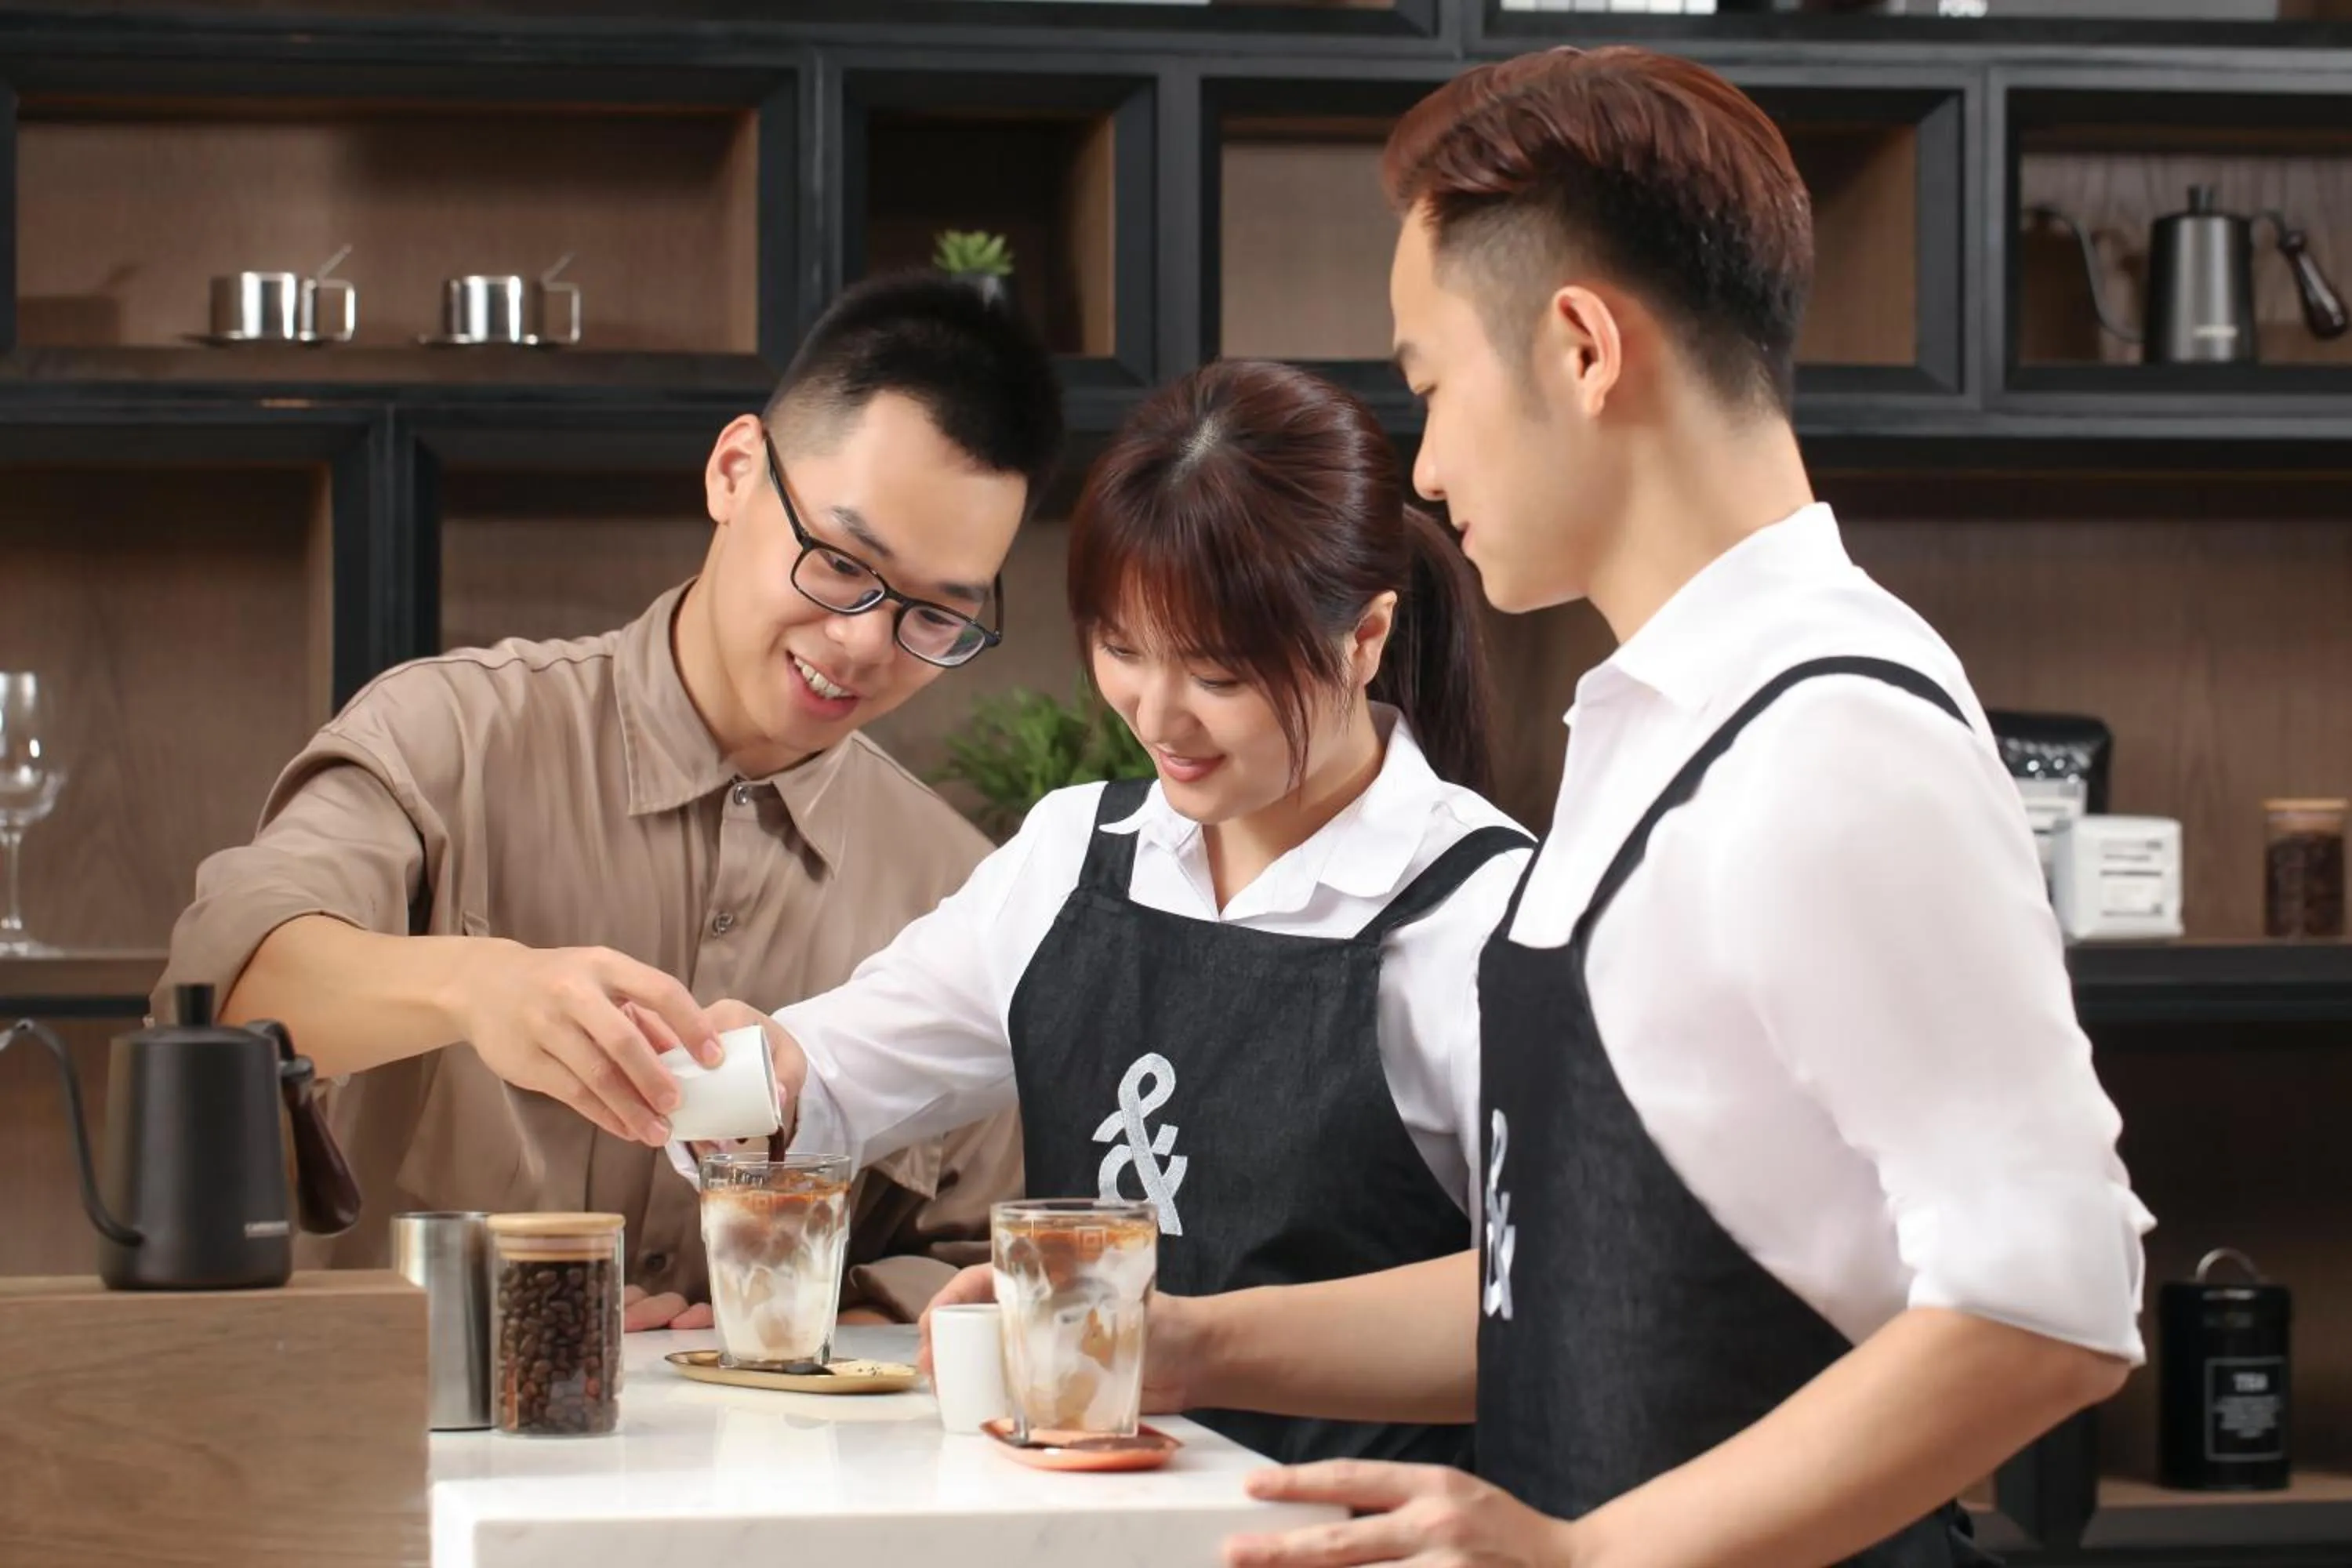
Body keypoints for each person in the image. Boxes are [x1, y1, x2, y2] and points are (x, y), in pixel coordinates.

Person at [930, 48, 2155, 1568]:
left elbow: (2050, 1306)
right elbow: (1553, 1285)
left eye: (1432, 385)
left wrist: (1585, 1557)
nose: (1427, 467)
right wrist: (1177, 1344)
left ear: (1581, 349)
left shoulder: (1831, 737)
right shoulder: (1653, 722)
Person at [157, 271, 1064, 1329]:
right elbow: (217, 1001)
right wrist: (474, 986)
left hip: (766, 1476)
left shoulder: (960, 890)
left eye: (934, 616)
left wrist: (807, 1317)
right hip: (402, 1452)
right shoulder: (448, 737)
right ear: (734, 473)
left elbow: (976, 1256)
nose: (864, 642)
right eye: (840, 563)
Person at [701, 357, 1534, 1467]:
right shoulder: (1076, 857)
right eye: (1124, 651)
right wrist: (697, 1075)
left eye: (1220, 675)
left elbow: (1561, 1300)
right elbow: (830, 1076)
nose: (1159, 715)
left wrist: (1184, 1343)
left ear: (1364, 639)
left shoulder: (1489, 914)